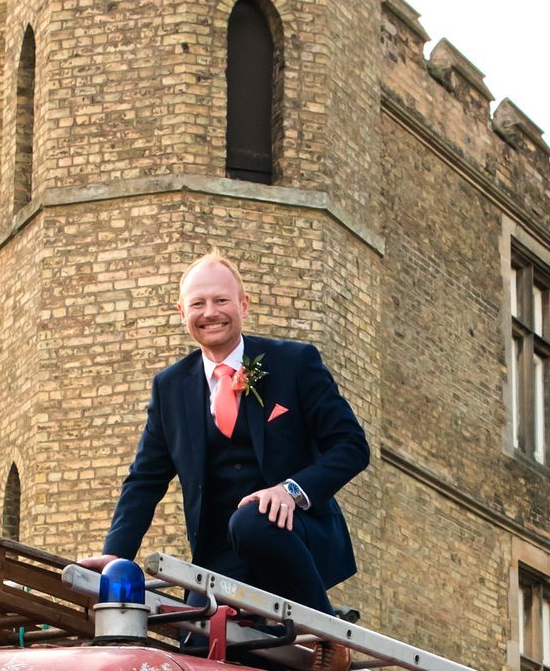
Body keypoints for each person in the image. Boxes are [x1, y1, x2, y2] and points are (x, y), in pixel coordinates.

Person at [100, 255, 369, 623]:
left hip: (293, 537)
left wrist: (290, 491)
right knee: (193, 641)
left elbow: (352, 446)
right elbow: (145, 481)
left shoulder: (295, 362)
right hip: (218, 558)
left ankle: (326, 637)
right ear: (182, 312)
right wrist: (115, 556)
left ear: (243, 304)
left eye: (221, 300)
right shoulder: (170, 387)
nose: (210, 312)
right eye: (198, 303)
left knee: (252, 520)